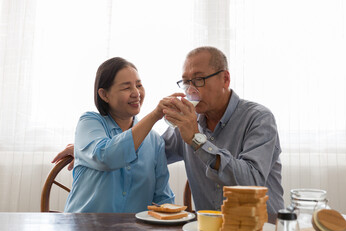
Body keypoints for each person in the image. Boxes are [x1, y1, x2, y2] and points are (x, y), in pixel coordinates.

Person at [53, 47, 283, 221]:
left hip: (261, 228)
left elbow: (252, 181)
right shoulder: (186, 124)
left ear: (225, 78)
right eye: (186, 82)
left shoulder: (258, 118)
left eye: (199, 80)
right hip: (208, 230)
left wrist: (197, 139)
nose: (191, 89)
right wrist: (87, 149)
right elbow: (139, 150)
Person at [61, 57, 174, 213]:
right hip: (84, 229)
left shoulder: (155, 141)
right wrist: (155, 115)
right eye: (126, 88)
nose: (136, 93)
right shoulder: (89, 122)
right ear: (104, 95)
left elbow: (163, 197)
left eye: (139, 85)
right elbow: (106, 157)